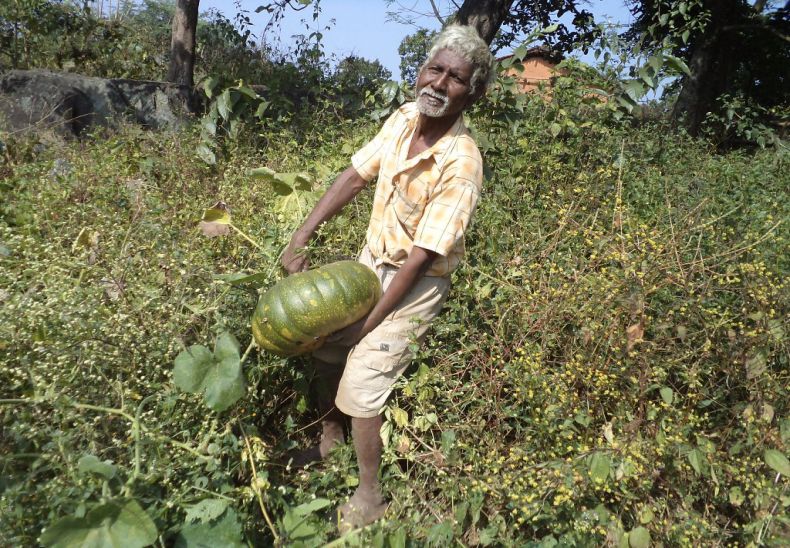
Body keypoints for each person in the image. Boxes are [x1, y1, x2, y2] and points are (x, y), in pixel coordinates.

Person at [280, 24, 494, 530]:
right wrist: (300, 237)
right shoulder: (403, 119)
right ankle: (330, 440)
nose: (439, 84)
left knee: (364, 375)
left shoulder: (461, 162)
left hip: (416, 281)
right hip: (372, 260)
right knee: (329, 347)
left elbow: (421, 257)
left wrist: (369, 325)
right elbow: (354, 176)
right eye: (434, 69)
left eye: (456, 78)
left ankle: (370, 496)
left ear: (474, 93)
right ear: (421, 71)